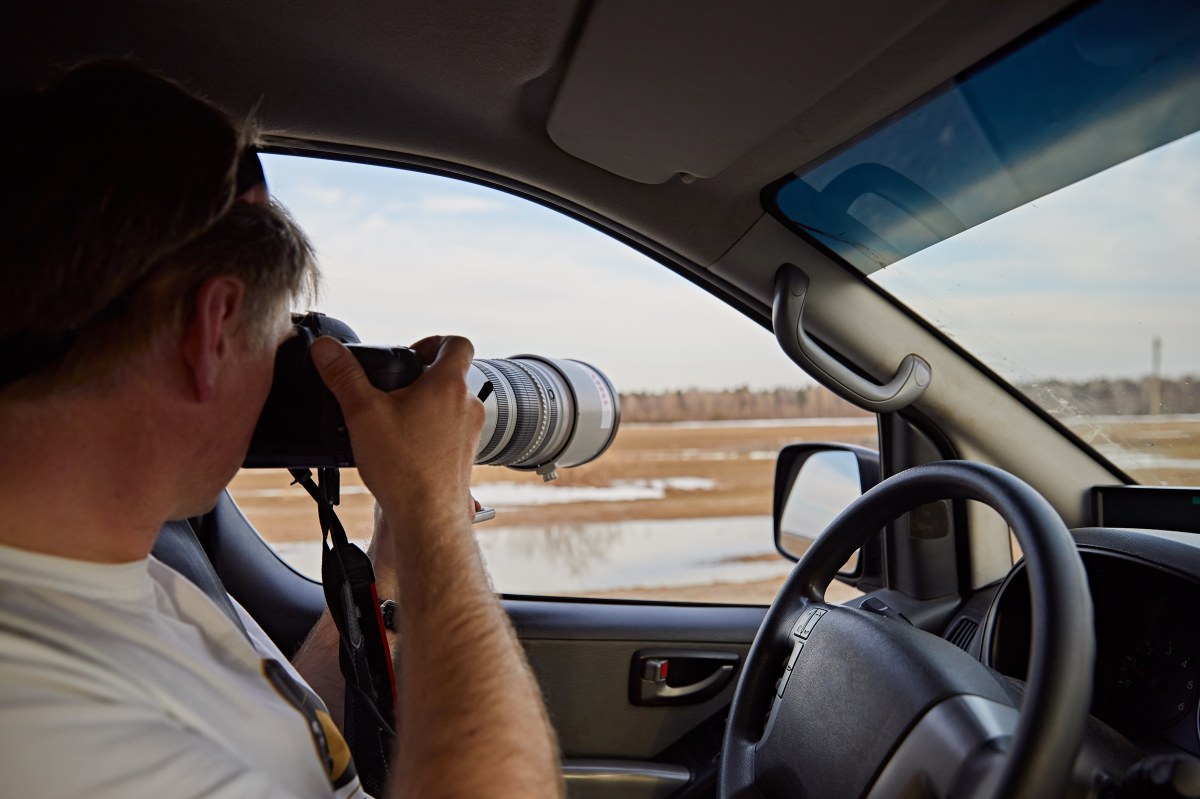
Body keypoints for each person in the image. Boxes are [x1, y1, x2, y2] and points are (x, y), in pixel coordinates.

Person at [0, 61, 563, 797]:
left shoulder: (132, 573)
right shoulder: (38, 716)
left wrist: (393, 551)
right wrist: (435, 523)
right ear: (215, 326)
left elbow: (274, 761)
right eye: (280, 335)